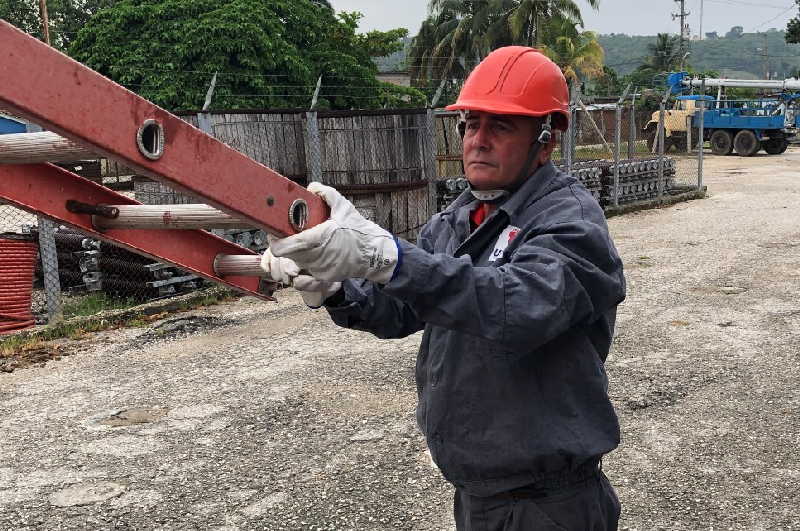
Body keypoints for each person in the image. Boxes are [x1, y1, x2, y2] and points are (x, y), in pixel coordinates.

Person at [260, 46, 626, 531]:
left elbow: (513, 305)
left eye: (501, 126)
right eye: (471, 124)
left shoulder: (570, 222)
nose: (478, 140)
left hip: (546, 505)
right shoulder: (457, 219)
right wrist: (334, 287)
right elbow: (401, 310)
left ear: (547, 138)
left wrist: (390, 257)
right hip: (479, 493)